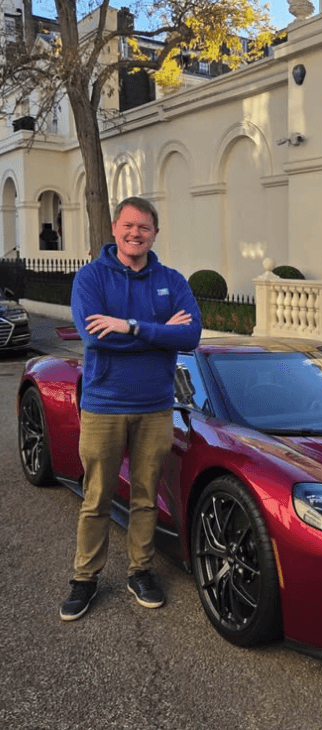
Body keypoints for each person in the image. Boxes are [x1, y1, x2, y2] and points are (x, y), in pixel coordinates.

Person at [60, 196, 202, 621]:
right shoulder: (91, 278)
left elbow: (191, 336)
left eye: (144, 227)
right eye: (128, 225)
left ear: (154, 233)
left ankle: (140, 571)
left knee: (145, 495)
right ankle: (85, 577)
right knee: (97, 496)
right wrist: (159, 333)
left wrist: (131, 326)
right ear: (115, 229)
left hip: (155, 407)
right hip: (104, 405)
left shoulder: (172, 280)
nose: (135, 233)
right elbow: (95, 337)